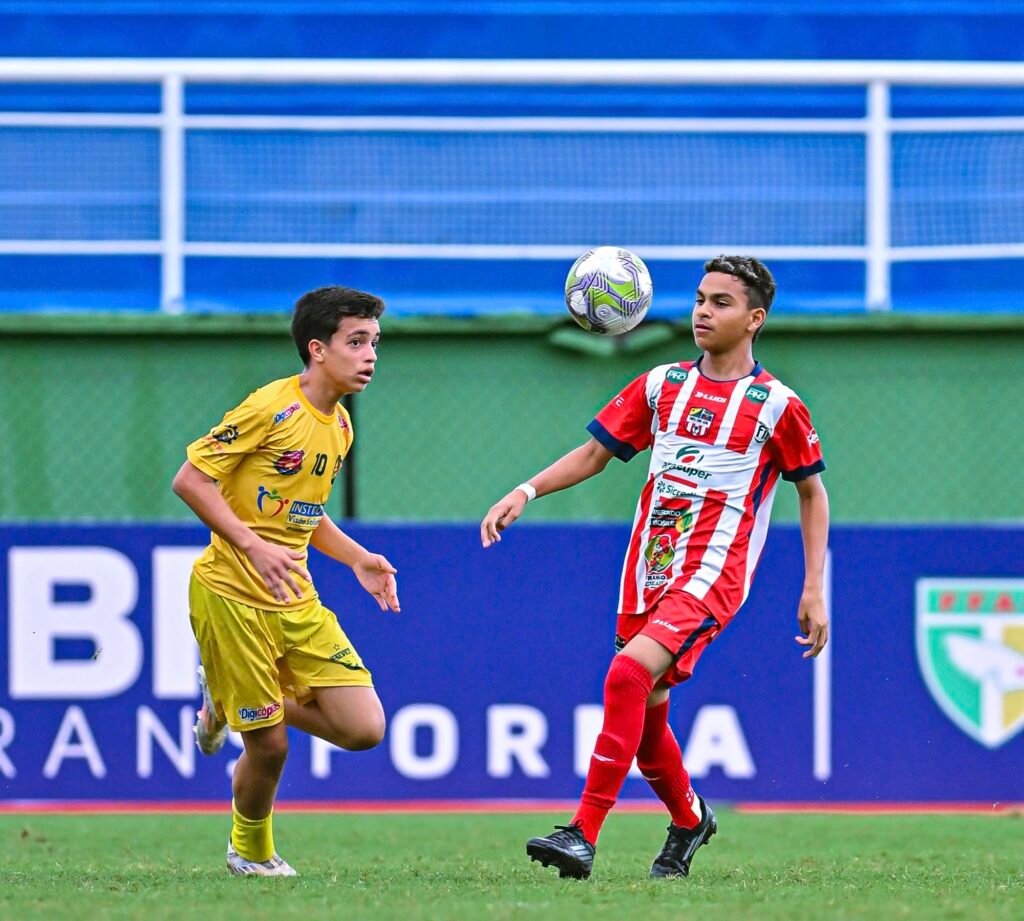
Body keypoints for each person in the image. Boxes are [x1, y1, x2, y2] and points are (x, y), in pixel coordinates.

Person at [481, 255, 829, 881]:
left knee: (624, 676)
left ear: (755, 319)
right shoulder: (662, 384)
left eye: (721, 301)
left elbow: (811, 492)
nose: (703, 310)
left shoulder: (777, 406)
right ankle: (692, 819)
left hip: (712, 576)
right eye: (699, 298)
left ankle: (582, 832)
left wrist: (812, 587)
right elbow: (594, 453)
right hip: (648, 565)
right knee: (646, 713)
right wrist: (525, 491)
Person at [172, 286, 400, 877]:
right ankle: (249, 852)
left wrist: (356, 559)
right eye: (357, 342)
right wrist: (250, 544)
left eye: (374, 342)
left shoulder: (341, 427)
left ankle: (225, 696)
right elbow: (191, 481)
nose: (370, 355)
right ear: (318, 350)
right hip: (231, 595)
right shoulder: (269, 408)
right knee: (269, 746)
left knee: (364, 728)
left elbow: (304, 512)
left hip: (295, 597)